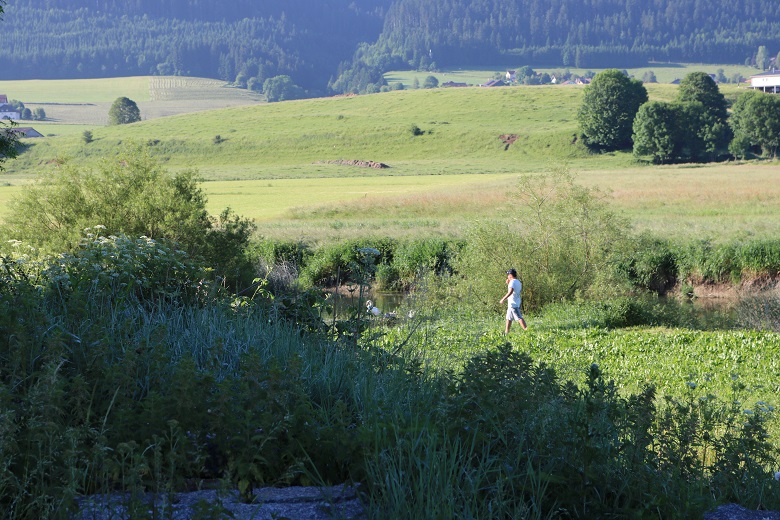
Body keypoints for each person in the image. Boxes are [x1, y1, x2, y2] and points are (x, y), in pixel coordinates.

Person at [499, 268, 527, 333]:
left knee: (519, 317)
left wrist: (503, 299)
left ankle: (527, 330)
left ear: (510, 275)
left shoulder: (512, 282)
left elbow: (510, 292)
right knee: (508, 318)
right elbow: (515, 290)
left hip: (513, 303)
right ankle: (506, 332)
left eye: (508, 275)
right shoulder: (518, 282)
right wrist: (508, 284)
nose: (507, 276)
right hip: (515, 302)